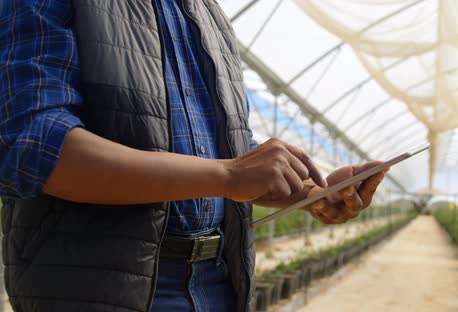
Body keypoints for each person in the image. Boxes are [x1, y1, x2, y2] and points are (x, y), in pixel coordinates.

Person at [0, 0, 388, 311]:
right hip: (103, 285)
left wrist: (309, 193)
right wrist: (230, 175)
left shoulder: (209, 15)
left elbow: (223, 162)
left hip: (219, 280)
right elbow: (33, 146)